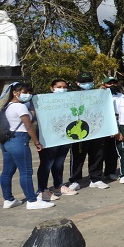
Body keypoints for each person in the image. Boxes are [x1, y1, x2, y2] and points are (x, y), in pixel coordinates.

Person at [1, 82, 54, 210]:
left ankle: (8, 199)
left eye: (29, 92)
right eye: (25, 92)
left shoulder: (7, 106)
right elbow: (28, 126)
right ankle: (32, 200)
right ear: (15, 92)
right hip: (19, 140)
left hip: (6, 141)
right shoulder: (19, 107)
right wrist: (37, 142)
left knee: (7, 172)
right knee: (26, 171)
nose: (28, 95)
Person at [66, 72, 109, 191]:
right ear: (77, 83)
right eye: (83, 82)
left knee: (97, 154)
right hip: (79, 131)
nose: (87, 84)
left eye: (89, 81)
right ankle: (75, 180)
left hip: (96, 130)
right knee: (77, 156)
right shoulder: (71, 96)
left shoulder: (99, 95)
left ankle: (96, 178)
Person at [35, 79, 77, 200]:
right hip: (48, 137)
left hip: (64, 136)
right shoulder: (44, 101)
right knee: (47, 163)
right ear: (51, 88)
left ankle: (58, 186)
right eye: (59, 87)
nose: (62, 89)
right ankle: (42, 190)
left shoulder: (70, 101)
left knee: (59, 162)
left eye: (64, 87)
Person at [101, 76, 122, 181]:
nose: (112, 85)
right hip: (102, 124)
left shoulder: (121, 96)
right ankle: (96, 175)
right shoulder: (99, 94)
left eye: (114, 83)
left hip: (117, 122)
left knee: (113, 151)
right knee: (100, 152)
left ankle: (110, 172)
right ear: (104, 84)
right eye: (109, 83)